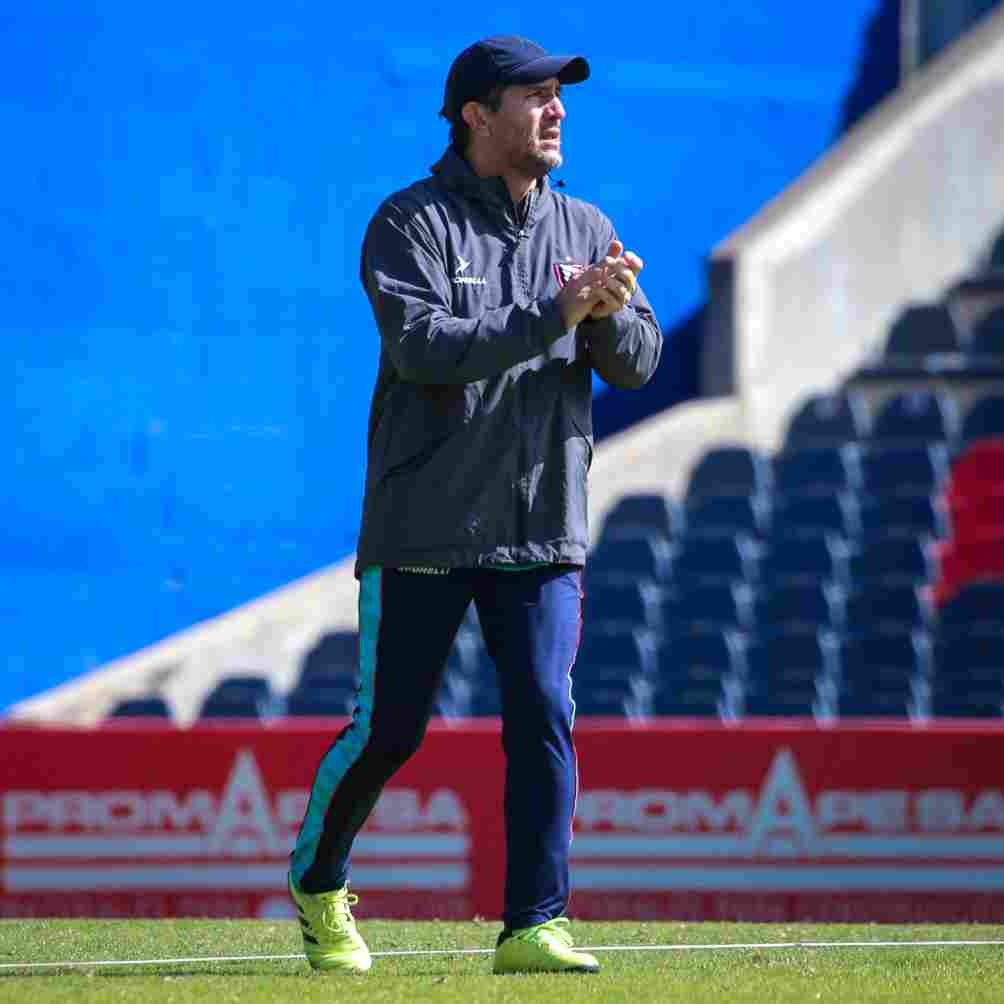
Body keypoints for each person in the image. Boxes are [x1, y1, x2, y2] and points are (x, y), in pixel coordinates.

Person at [288, 34, 662, 975]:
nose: (557, 110)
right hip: (423, 523)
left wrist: (609, 310)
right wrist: (559, 313)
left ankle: (535, 926)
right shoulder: (406, 223)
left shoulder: (585, 227)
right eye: (534, 95)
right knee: (392, 730)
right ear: (475, 115)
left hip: (542, 527)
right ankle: (319, 883)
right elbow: (425, 350)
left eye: (559, 96)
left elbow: (639, 361)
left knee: (543, 712)